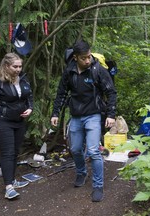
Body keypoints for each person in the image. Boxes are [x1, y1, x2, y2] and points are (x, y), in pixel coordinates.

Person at [51, 39, 117, 202]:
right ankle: (81, 173)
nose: (87, 60)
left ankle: (98, 185)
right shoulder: (69, 71)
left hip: (93, 115)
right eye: (84, 58)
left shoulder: (98, 70)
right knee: (75, 149)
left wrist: (110, 114)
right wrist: (55, 113)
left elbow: (111, 92)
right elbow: (61, 93)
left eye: (89, 57)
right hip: (76, 116)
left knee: (94, 151)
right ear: (75, 57)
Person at [0, 52, 33, 199]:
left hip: (19, 122)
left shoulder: (23, 79)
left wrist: (30, 108)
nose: (18, 69)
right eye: (15, 66)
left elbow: (29, 96)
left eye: (20, 66)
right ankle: (9, 187)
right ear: (6, 66)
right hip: (3, 121)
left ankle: (12, 180)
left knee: (15, 152)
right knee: (8, 152)